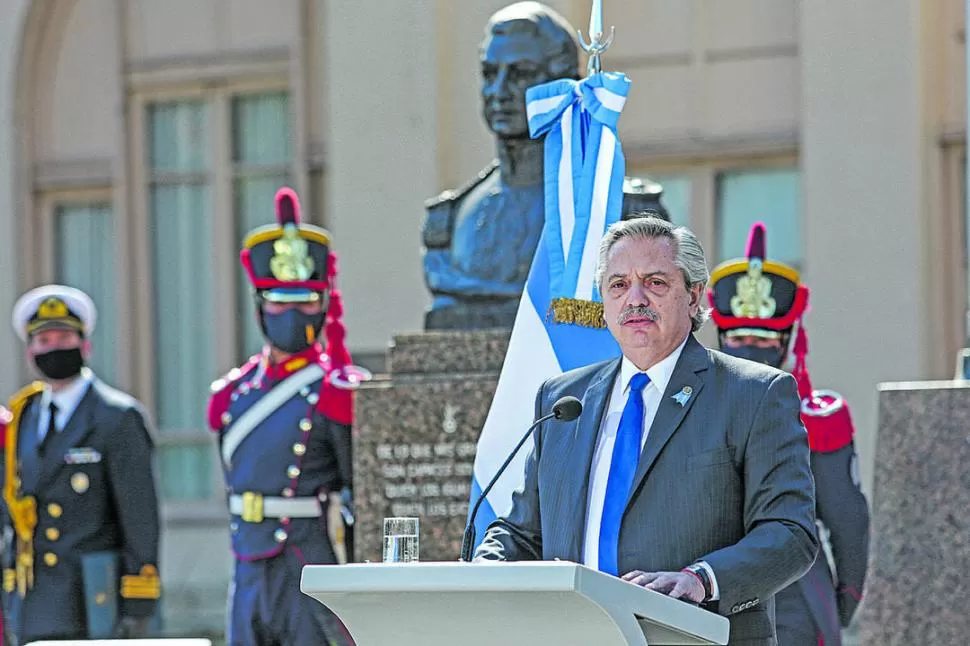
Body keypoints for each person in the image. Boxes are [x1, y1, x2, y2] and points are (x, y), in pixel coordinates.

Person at [475, 216, 819, 645]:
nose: (634, 299)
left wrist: (700, 579)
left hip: (694, 634)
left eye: (655, 282)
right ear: (604, 301)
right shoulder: (563, 400)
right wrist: (484, 565)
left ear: (693, 296)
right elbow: (523, 532)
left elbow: (790, 533)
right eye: (619, 285)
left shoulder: (753, 393)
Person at [421, 1, 670, 330]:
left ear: (564, 84)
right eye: (490, 74)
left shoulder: (622, 211)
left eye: (521, 74)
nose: (499, 91)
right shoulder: (450, 219)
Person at [208, 187, 368, 646]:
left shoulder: (336, 389)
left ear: (324, 305)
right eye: (280, 300)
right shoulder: (232, 394)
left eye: (306, 301)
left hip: (306, 559)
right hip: (246, 562)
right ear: (261, 304)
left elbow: (359, 493)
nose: (292, 313)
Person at [708, 222, 870, 645]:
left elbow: (848, 522)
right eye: (739, 337)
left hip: (790, 596)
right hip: (702, 590)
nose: (749, 350)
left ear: (785, 343)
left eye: (762, 340)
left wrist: (844, 598)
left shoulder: (820, 420)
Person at [1, 285, 160, 643]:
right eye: (44, 340)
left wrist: (138, 597)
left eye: (64, 338)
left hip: (93, 597)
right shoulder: (24, 416)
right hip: (32, 597)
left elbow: (139, 515)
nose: (54, 348)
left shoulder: (117, 416)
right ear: (30, 352)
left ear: (85, 345)